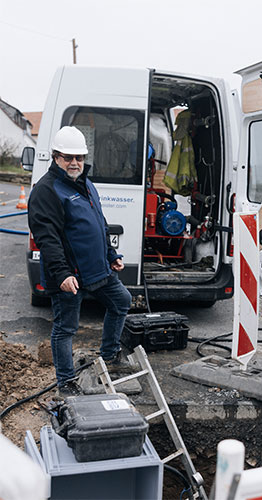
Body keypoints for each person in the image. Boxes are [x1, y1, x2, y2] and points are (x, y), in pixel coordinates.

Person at [28, 126, 132, 398]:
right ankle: (66, 383)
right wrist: (61, 274)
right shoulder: (47, 191)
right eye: (67, 157)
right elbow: (47, 238)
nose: (74, 163)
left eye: (79, 157)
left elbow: (99, 223)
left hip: (98, 269)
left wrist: (111, 255)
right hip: (69, 275)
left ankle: (109, 354)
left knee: (121, 301)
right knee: (66, 328)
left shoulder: (85, 184)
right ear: (55, 157)